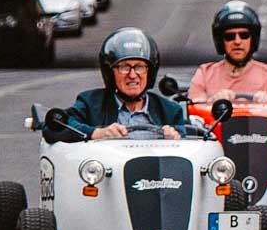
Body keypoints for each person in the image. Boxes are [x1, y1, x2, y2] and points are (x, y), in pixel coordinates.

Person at [43, 27, 186, 144]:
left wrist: (175, 137)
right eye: (124, 67)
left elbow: (192, 141)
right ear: (110, 72)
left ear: (151, 71)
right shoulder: (91, 103)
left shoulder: (170, 111)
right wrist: (97, 133)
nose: (132, 75)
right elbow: (52, 128)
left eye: (139, 67)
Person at [188, 1, 267, 104]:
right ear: (220, 41)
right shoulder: (204, 74)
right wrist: (212, 102)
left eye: (244, 35)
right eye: (230, 36)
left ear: (253, 39)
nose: (237, 42)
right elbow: (193, 109)